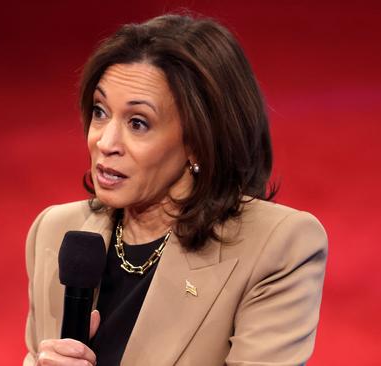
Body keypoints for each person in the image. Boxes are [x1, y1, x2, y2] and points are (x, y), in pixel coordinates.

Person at [23, 13, 327, 366]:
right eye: (100, 111)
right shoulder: (55, 231)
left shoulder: (277, 246)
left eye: (138, 123)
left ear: (199, 141)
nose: (105, 142)